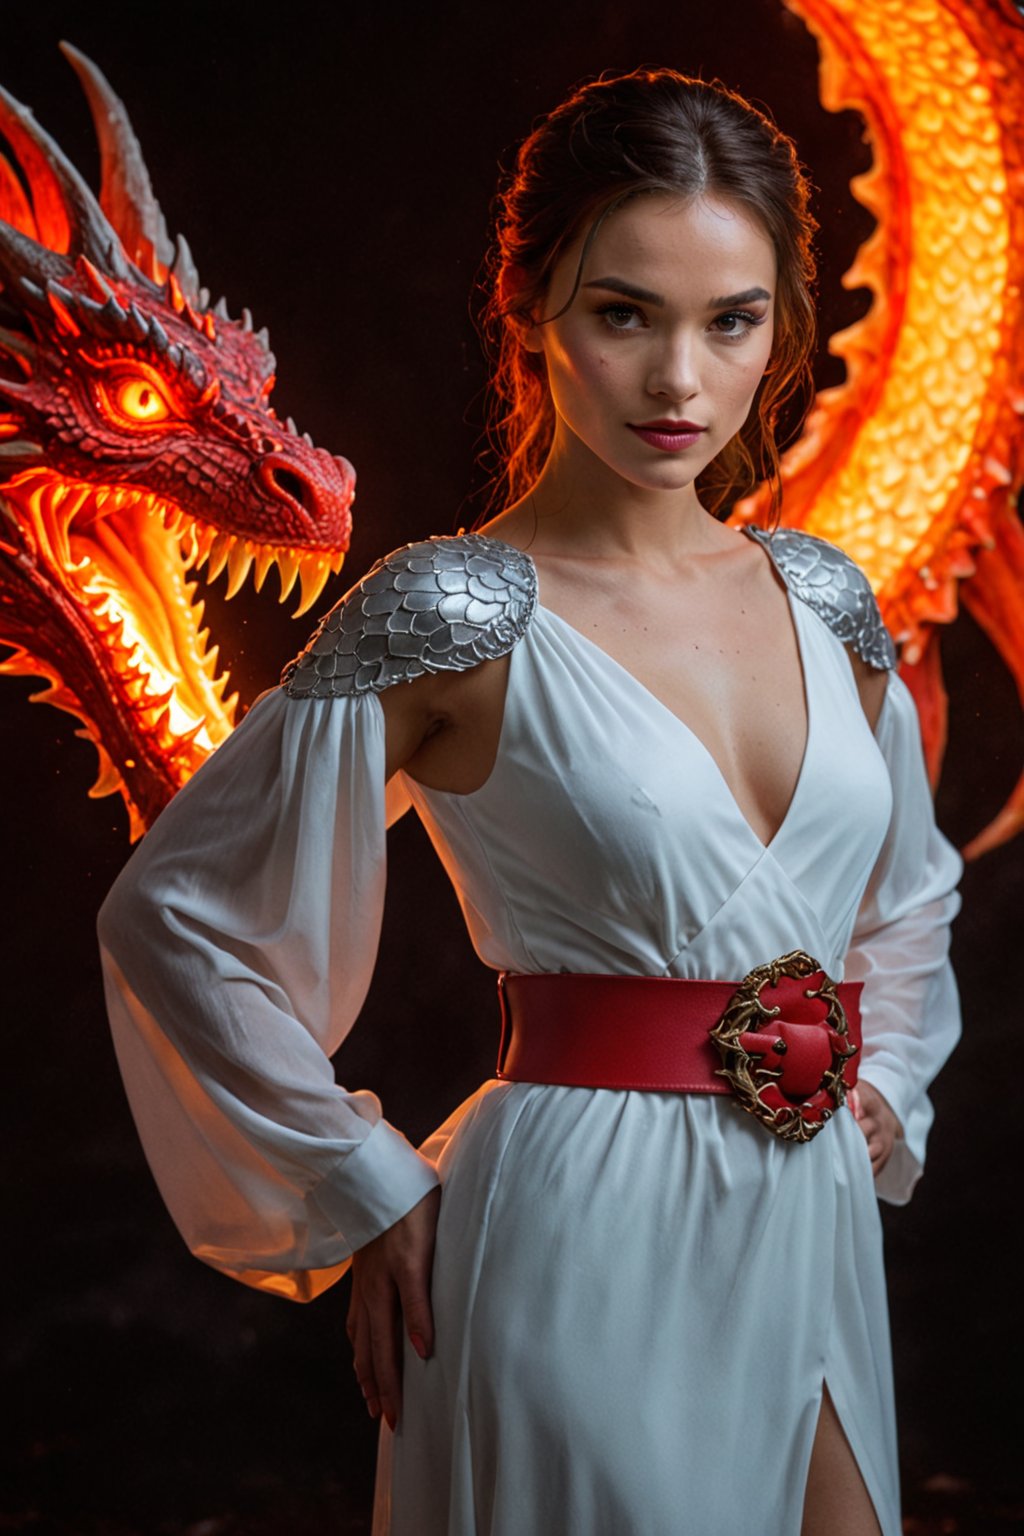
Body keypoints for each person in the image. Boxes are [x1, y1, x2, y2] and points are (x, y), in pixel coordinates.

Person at [97, 67, 962, 1536]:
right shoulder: (455, 612)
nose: (680, 380)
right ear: (534, 312)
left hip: (811, 1228)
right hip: (574, 1228)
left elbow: (910, 890)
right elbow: (175, 916)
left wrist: (880, 1088)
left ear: (781, 329)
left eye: (729, 322)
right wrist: (360, 1178)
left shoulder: (828, 600)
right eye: (625, 314)